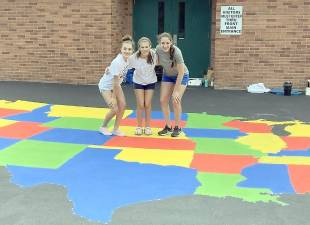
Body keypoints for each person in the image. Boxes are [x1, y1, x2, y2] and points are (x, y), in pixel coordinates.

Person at [98, 35, 134, 136]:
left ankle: (115, 129)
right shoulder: (117, 62)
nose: (127, 51)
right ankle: (103, 126)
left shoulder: (130, 58)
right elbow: (115, 82)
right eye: (125, 49)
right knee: (114, 108)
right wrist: (113, 98)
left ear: (132, 51)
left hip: (117, 84)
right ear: (121, 50)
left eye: (129, 49)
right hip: (106, 86)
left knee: (122, 105)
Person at [156, 32, 189, 137]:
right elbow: (156, 62)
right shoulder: (158, 49)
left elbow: (181, 72)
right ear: (159, 43)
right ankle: (168, 126)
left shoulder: (176, 52)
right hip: (167, 75)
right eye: (163, 43)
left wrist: (176, 91)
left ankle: (178, 127)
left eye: (167, 43)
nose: (165, 45)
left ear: (171, 42)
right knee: (163, 100)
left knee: (175, 100)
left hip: (181, 75)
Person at [128, 37, 157, 135]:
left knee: (147, 104)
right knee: (140, 104)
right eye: (142, 47)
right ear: (139, 48)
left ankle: (148, 126)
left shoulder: (154, 55)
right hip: (138, 81)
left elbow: (166, 54)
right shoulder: (133, 58)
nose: (144, 49)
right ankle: (139, 126)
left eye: (146, 47)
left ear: (150, 47)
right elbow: (124, 64)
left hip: (150, 81)